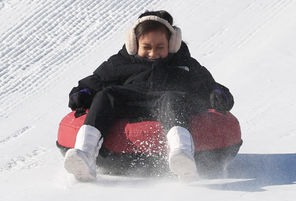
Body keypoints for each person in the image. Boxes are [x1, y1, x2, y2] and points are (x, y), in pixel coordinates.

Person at [63, 10, 234, 181]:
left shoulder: (184, 64)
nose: (153, 53)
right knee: (106, 95)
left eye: (160, 47)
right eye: (146, 47)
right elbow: (94, 81)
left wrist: (218, 95)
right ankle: (85, 154)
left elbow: (210, 85)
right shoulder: (120, 62)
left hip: (166, 105)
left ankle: (182, 155)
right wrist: (82, 94)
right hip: (128, 104)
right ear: (134, 44)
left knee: (172, 98)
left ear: (172, 44)